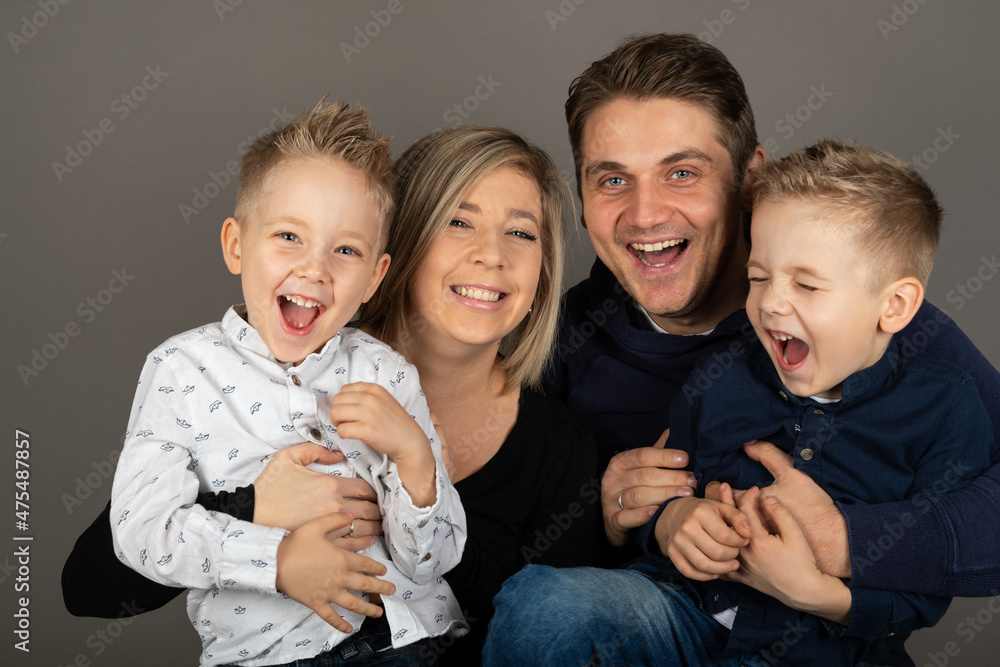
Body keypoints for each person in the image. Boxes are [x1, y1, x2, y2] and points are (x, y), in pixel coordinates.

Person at [485, 33, 1000, 666]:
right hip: (662, 617)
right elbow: (491, 562)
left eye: (681, 172)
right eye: (613, 178)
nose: (645, 214)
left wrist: (845, 540)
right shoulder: (556, 335)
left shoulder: (879, 331)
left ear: (751, 179)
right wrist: (612, 515)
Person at [64, 125, 602, 666]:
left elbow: (538, 633)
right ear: (403, 244)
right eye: (459, 221)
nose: (492, 255)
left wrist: (419, 465)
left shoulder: (559, 447)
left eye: (522, 233)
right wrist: (255, 507)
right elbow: (95, 583)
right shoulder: (218, 371)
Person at [108, 100, 467, 666]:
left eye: (346, 249)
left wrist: (416, 460)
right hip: (271, 657)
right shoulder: (182, 370)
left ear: (375, 276)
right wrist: (275, 559)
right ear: (235, 245)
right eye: (288, 237)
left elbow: (434, 561)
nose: (314, 269)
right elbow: (143, 532)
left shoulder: (388, 373)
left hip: (411, 641)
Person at [608, 139, 992, 664]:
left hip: (829, 651)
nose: (771, 302)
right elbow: (671, 485)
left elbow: (922, 592)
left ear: (895, 306)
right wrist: (672, 519)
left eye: (807, 285)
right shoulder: (722, 375)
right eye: (759, 277)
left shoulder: (946, 407)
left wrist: (817, 592)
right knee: (546, 603)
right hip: (684, 614)